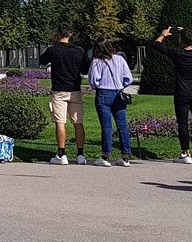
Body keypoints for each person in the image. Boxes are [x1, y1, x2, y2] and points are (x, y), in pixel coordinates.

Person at [153, 25, 192, 163]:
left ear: (181, 41)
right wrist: (190, 34)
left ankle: (186, 152)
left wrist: (164, 34)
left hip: (182, 92)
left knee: (183, 123)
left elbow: (157, 45)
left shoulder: (178, 53)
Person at [39, 25, 88, 165]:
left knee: (60, 122)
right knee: (78, 122)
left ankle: (62, 154)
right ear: (70, 35)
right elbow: (85, 69)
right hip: (75, 89)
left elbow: (42, 60)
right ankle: (80, 154)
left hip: (59, 90)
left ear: (57, 34)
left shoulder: (53, 50)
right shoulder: (79, 50)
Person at [88, 41, 134, 166]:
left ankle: (105, 156)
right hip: (118, 93)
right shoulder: (119, 59)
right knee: (122, 126)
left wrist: (96, 86)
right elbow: (129, 78)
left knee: (106, 126)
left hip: (103, 92)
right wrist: (121, 85)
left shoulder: (97, 61)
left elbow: (93, 79)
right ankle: (125, 156)